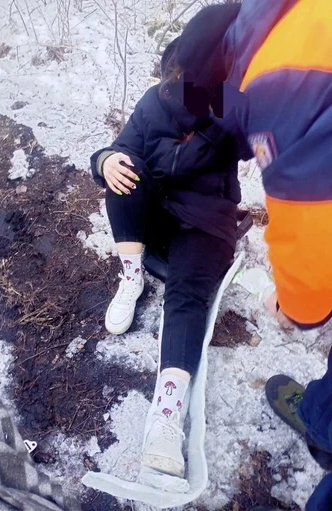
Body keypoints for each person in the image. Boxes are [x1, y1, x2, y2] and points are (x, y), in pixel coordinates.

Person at [171, 2, 332, 506]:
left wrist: (296, 303)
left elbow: (311, 215)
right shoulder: (288, 25)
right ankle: (323, 417)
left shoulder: (275, 84)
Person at [89, 37, 247, 480]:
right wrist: (105, 161)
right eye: (179, 78)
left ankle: (165, 418)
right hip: (159, 214)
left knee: (186, 297)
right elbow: (121, 147)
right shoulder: (154, 102)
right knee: (123, 170)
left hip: (204, 223)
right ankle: (132, 277)